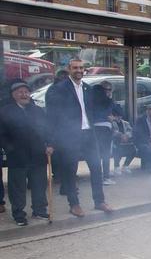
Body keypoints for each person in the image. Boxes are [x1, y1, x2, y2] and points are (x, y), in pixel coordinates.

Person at [45, 58, 113, 217]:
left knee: (96, 167)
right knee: (70, 171)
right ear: (69, 69)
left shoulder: (88, 89)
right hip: (70, 135)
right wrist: (51, 140)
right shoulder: (59, 89)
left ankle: (99, 201)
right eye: (75, 68)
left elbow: (98, 107)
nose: (79, 70)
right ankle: (74, 204)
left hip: (89, 133)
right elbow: (52, 116)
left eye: (81, 68)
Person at [0, 81, 50, 225]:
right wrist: (9, 148)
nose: (24, 94)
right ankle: (19, 214)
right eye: (20, 92)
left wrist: (50, 144)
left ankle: (39, 210)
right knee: (17, 188)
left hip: (38, 154)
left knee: (39, 184)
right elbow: (1, 134)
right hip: (17, 156)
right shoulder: (5, 112)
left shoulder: (38, 110)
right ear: (13, 95)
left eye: (26, 92)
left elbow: (47, 130)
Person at [92, 81, 123, 186]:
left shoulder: (93, 100)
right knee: (105, 154)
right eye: (108, 90)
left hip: (94, 129)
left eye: (110, 90)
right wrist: (112, 117)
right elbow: (119, 111)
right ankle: (105, 177)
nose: (109, 92)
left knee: (97, 154)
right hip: (104, 128)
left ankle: (99, 176)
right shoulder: (107, 101)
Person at [134, 104, 151, 171]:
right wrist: (148, 140)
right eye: (149, 110)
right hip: (143, 141)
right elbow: (139, 133)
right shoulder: (140, 120)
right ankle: (150, 167)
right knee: (148, 148)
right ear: (146, 111)